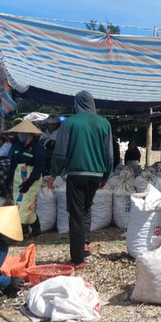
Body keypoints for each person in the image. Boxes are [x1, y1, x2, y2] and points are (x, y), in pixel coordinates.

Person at [47, 91, 113, 269]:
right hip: (96, 175)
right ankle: (84, 242)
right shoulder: (104, 123)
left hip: (76, 175)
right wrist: (106, 175)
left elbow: (60, 153)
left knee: (75, 214)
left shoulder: (69, 123)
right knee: (86, 207)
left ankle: (77, 260)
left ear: (76, 104)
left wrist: (53, 174)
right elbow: (109, 155)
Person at [5, 119, 46, 239]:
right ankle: (35, 229)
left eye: (21, 133)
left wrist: (29, 182)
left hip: (31, 180)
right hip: (18, 179)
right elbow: (13, 162)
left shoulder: (38, 148)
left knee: (25, 204)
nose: (19, 135)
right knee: (18, 204)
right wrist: (9, 177)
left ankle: (20, 232)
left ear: (29, 133)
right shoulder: (18, 146)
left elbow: (39, 167)